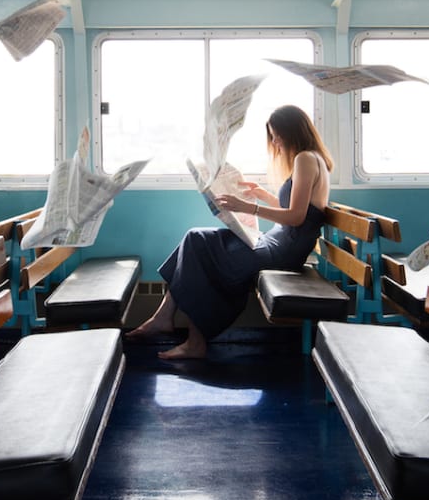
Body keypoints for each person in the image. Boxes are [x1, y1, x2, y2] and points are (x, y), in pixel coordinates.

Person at [127, 104, 333, 359]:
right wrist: (262, 195)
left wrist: (249, 207)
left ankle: (190, 338)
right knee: (196, 238)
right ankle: (165, 318)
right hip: (278, 242)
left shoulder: (305, 158)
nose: (276, 141)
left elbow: (297, 217)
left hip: (283, 252)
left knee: (199, 252)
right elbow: (300, 210)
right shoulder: (315, 159)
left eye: (277, 134)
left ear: (292, 130)